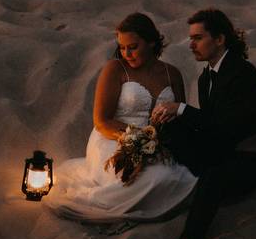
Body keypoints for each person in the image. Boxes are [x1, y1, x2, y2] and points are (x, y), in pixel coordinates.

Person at [146, 9, 256, 239]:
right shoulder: (205, 77)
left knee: (213, 177)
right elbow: (210, 126)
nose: (191, 44)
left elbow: (227, 125)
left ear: (220, 39)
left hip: (254, 153)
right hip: (223, 147)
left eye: (198, 38)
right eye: (191, 38)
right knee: (169, 126)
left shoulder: (243, 73)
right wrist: (171, 116)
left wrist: (181, 108)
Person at [45, 13, 197, 222]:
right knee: (143, 180)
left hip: (158, 142)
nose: (126, 53)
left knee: (174, 177)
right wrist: (138, 140)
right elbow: (101, 121)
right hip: (112, 138)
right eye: (122, 47)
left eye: (133, 47)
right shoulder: (115, 69)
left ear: (152, 42)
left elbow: (179, 117)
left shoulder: (172, 74)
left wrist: (159, 143)